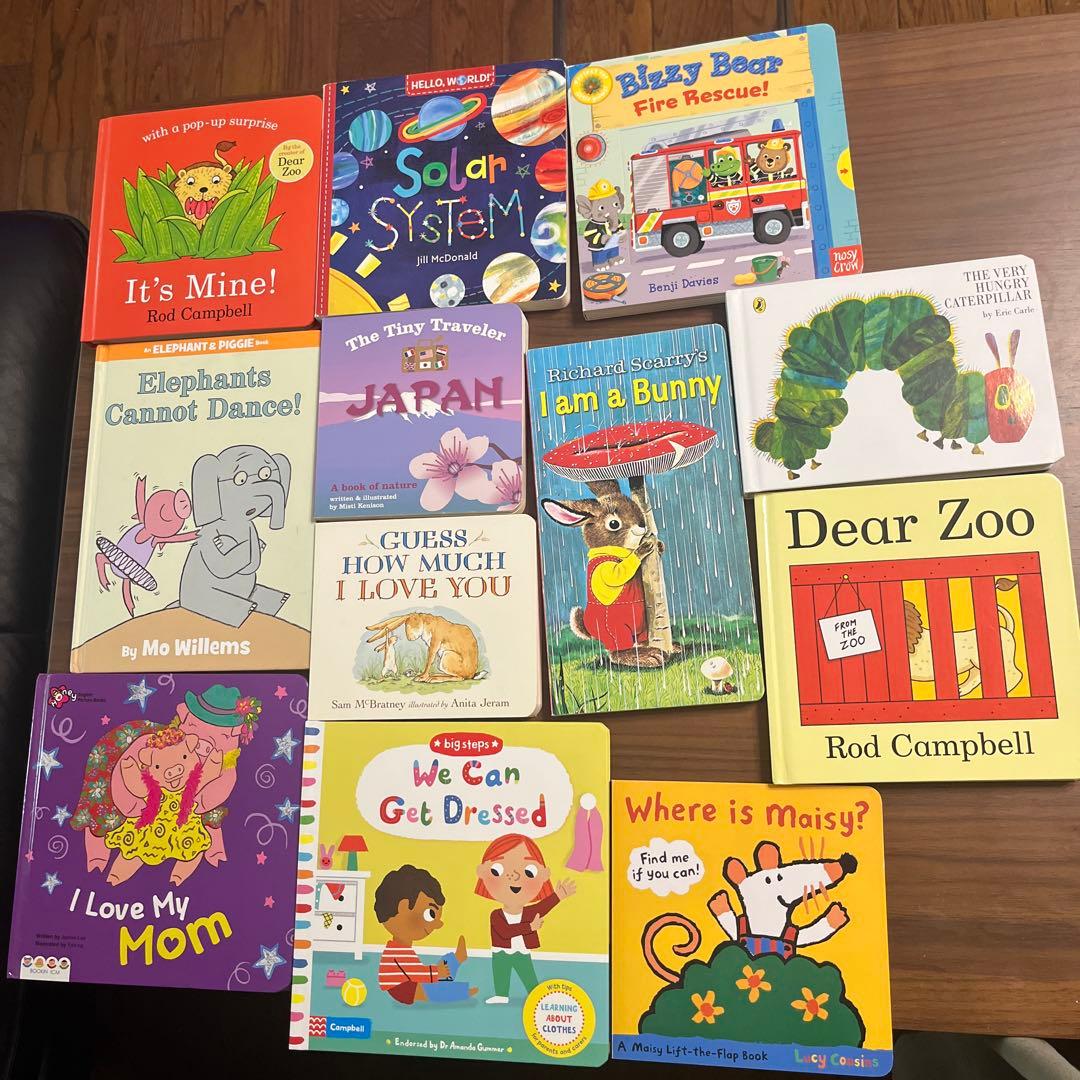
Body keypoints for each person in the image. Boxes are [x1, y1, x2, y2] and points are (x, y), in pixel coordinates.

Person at [474, 833, 576, 1004]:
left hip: (521, 951)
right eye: (497, 870)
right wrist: (530, 927)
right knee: (501, 972)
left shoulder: (529, 913)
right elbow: (505, 932)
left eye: (529, 871)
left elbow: (542, 908)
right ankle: (501, 995)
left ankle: (536, 994)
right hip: (501, 951)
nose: (514, 876)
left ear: (544, 874)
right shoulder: (496, 915)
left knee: (528, 974)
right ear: (483, 872)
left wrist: (558, 895)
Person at [373, 864, 477, 1004]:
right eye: (430, 914)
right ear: (403, 907)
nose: (438, 925)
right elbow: (416, 973)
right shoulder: (398, 951)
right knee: (436, 989)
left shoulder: (399, 948)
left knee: (440, 973)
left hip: (409, 984)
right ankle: (462, 990)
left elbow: (417, 972)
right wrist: (436, 972)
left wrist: (437, 972)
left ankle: (456, 958)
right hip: (404, 989)